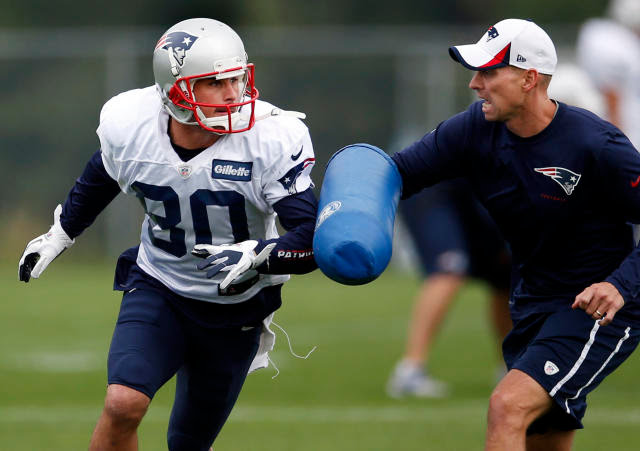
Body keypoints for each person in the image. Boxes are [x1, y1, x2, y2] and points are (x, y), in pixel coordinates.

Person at [18, 18, 317, 451]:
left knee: (187, 444)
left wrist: (259, 256)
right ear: (175, 89)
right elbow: (102, 173)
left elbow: (310, 238)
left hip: (234, 308)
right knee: (122, 403)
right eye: (214, 82)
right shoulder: (132, 125)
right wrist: (60, 233)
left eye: (236, 78)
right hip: (160, 286)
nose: (233, 93)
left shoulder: (269, 137)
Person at [390, 18, 640, 450]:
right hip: (533, 303)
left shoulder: (597, 146)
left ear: (529, 78)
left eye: (488, 71)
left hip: (600, 307)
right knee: (541, 436)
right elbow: (397, 172)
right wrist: (326, 213)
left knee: (508, 406)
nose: (473, 84)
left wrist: (619, 286)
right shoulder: (474, 129)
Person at [387, 180, 512, 398]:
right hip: (435, 186)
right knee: (448, 270)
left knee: (505, 275)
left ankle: (511, 367)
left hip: (475, 193)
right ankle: (410, 371)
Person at [576, 0, 640, 146]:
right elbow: (612, 97)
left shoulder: (599, 35)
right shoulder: (614, 45)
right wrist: (618, 145)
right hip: (623, 133)